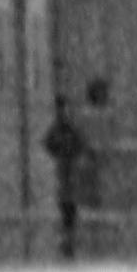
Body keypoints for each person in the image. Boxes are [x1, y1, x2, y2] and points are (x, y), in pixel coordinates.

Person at [41, 100, 92, 261]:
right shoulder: (57, 130)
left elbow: (81, 144)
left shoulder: (71, 130)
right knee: (64, 200)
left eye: (66, 111)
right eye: (62, 111)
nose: (65, 114)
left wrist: (74, 156)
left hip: (70, 169)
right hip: (63, 169)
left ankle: (69, 233)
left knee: (70, 201)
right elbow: (48, 143)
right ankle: (66, 233)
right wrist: (59, 155)